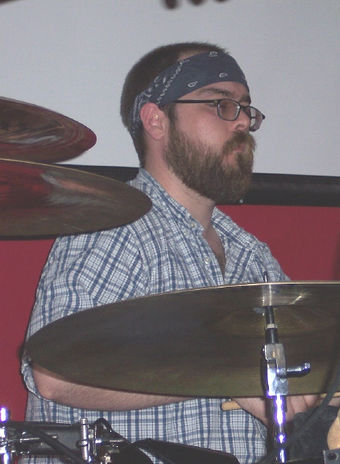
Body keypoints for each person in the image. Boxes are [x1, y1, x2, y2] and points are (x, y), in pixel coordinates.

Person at [21, 42, 319, 464]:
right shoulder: (115, 229)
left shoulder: (252, 256)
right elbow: (54, 374)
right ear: (156, 121)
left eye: (245, 109)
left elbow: (306, 374)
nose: (242, 122)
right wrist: (229, 375)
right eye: (221, 104)